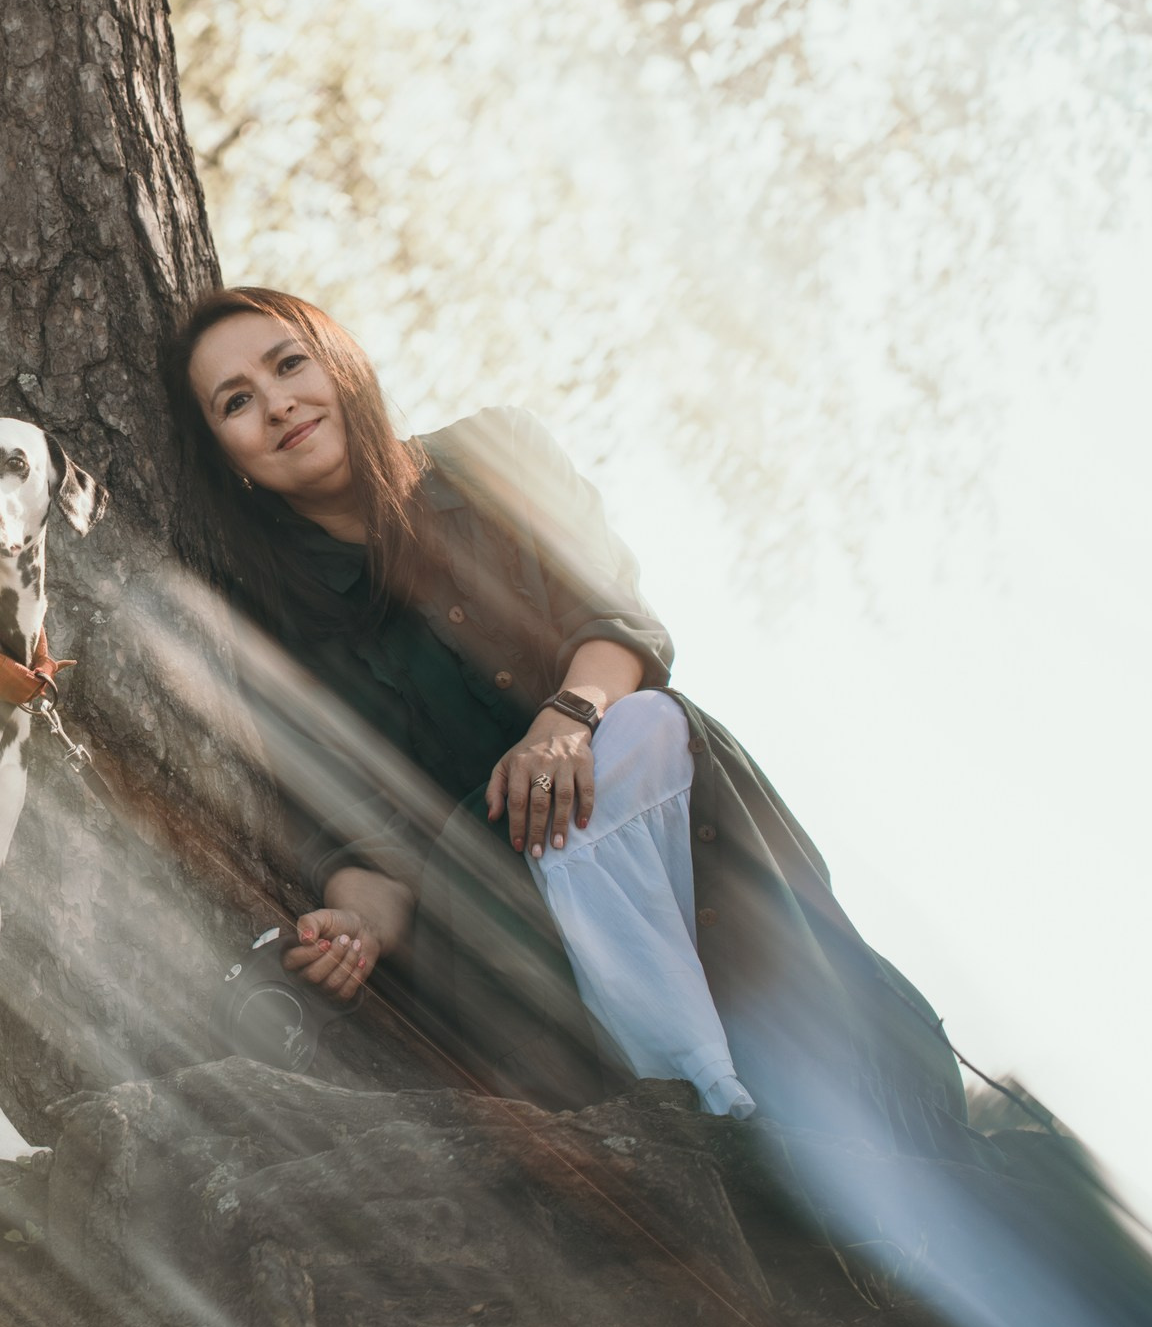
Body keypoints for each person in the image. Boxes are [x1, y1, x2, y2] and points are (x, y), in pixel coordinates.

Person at [161, 286, 971, 1150]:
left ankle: (752, 1102)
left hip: (651, 817)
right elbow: (365, 848)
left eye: (290, 363)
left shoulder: (496, 452)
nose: (278, 402)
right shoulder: (267, 627)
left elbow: (615, 619)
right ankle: (712, 1117)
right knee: (574, 814)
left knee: (646, 729)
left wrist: (567, 718)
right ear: (228, 458)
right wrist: (353, 929)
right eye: (236, 402)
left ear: (344, 366)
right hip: (502, 925)